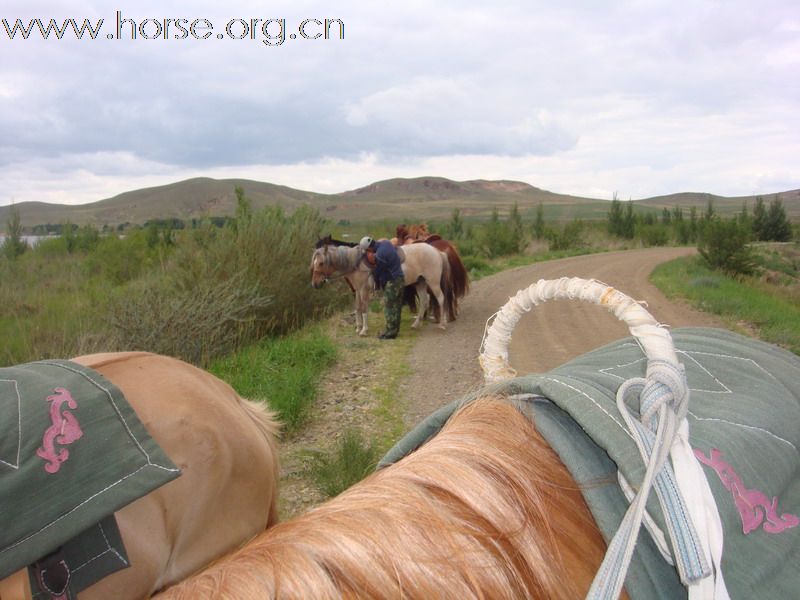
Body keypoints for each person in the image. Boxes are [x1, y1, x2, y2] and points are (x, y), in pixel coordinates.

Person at [359, 236, 404, 339]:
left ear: (369, 249)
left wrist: (377, 283)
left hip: (392, 282)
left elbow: (380, 272)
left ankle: (389, 333)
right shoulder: (386, 243)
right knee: (397, 307)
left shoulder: (379, 255)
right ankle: (394, 330)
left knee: (389, 307)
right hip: (400, 278)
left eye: (367, 250)